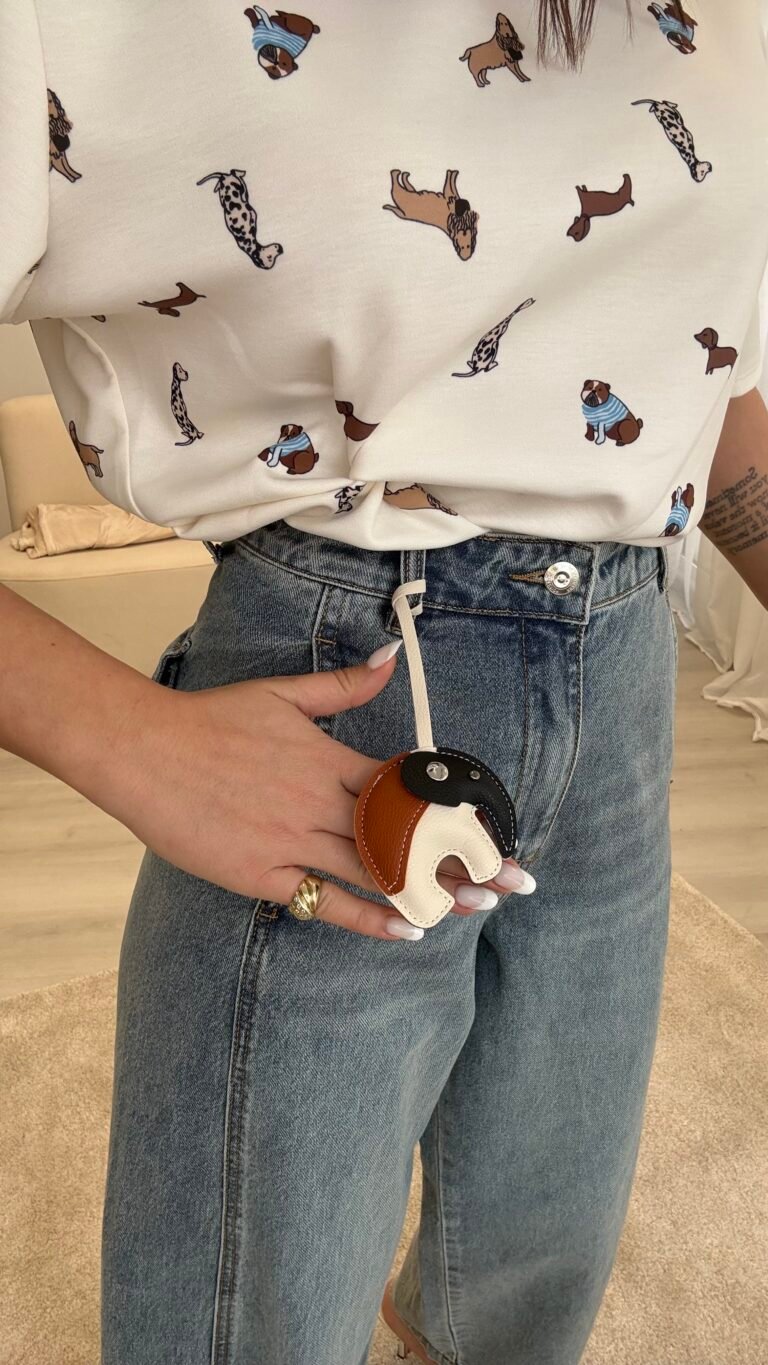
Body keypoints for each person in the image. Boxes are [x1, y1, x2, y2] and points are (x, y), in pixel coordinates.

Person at [1, 1, 767, 1361]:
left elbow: (695, 367)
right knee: (252, 1318)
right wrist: (126, 738)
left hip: (623, 661)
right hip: (345, 670)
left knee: (538, 1251)